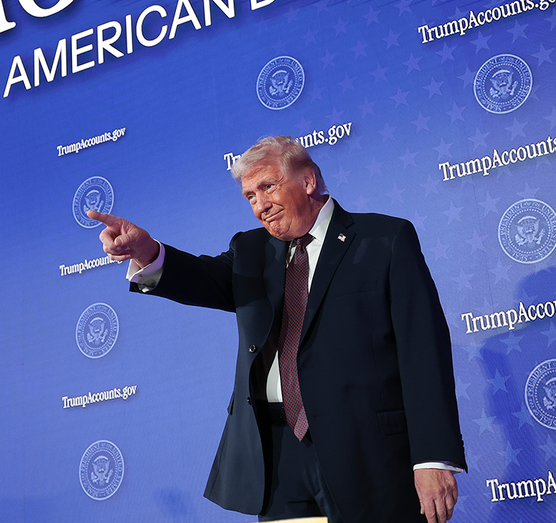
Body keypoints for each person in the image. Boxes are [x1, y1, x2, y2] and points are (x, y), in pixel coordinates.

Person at [88, 136, 466, 523]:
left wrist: (432, 457)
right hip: (277, 454)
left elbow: (423, 353)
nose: (260, 206)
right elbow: (201, 279)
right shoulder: (251, 251)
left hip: (369, 452)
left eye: (267, 187)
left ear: (307, 181)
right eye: (249, 196)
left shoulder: (384, 240)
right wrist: (147, 252)